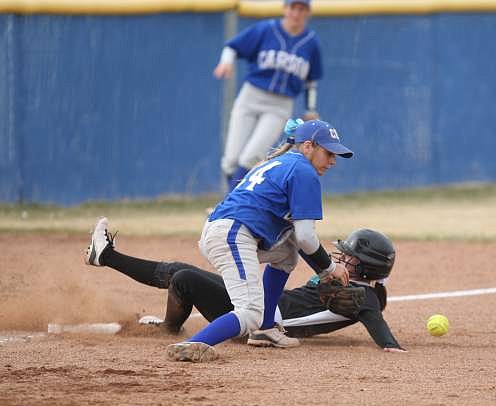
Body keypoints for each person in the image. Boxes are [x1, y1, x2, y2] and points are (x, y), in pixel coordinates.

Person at [160, 118, 353, 362]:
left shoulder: (281, 163)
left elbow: (297, 239)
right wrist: (330, 268)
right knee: (250, 311)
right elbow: (306, 236)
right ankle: (194, 344)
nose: (333, 160)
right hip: (233, 236)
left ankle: (266, 328)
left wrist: (324, 270)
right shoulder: (305, 172)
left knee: (286, 254)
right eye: (328, 152)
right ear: (307, 146)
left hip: (225, 231)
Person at [84, 217, 406, 355]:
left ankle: (111, 260)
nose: (341, 259)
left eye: (349, 258)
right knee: (182, 272)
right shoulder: (358, 287)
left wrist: (392, 345)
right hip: (263, 307)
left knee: (184, 277)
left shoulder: (365, 296)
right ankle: (108, 257)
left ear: (366, 267)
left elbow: (381, 330)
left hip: (260, 321)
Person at [213, 0, 323, 192]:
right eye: (293, 7)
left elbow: (311, 81)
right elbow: (232, 47)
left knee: (251, 157)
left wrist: (310, 108)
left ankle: (229, 206)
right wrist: (226, 61)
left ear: (308, 13)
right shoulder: (266, 29)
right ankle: (235, 203)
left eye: (302, 9)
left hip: (279, 105)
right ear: (285, 9)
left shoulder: (311, 42)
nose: (296, 13)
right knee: (230, 161)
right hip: (251, 96)